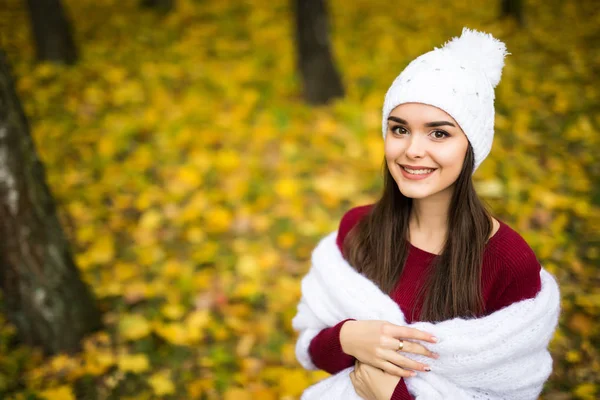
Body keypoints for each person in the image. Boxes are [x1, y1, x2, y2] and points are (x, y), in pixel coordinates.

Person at [292, 27, 560, 400]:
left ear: (472, 145)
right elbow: (314, 349)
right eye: (399, 129)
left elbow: (512, 391)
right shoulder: (358, 228)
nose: (413, 150)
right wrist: (348, 336)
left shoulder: (508, 263)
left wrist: (389, 392)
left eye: (439, 134)